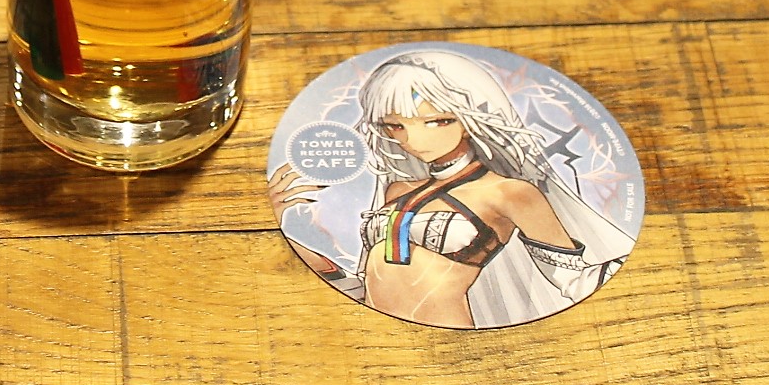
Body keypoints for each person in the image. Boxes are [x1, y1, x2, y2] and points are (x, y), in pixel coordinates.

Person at [271, 49, 635, 328]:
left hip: (447, 339)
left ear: (468, 118)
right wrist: (279, 223)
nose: (412, 139)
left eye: (435, 121)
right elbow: (362, 285)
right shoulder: (397, 191)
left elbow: (575, 280)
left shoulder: (509, 193)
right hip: (372, 332)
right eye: (395, 126)